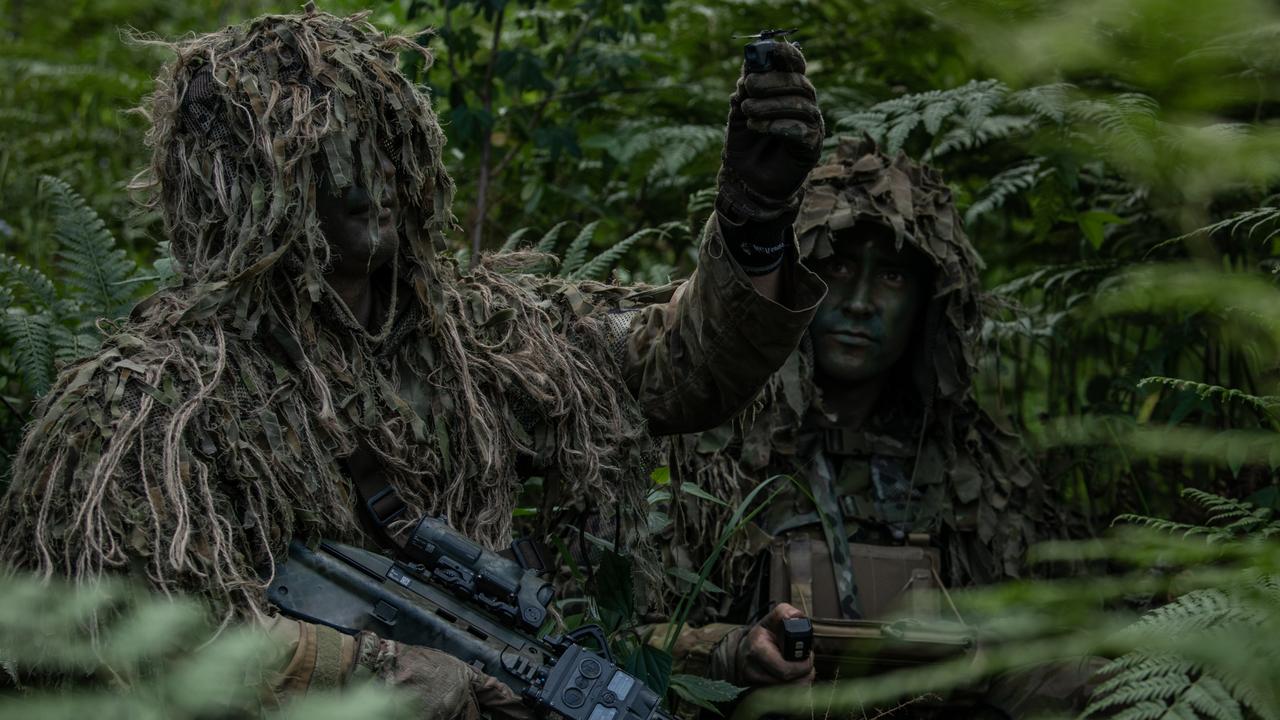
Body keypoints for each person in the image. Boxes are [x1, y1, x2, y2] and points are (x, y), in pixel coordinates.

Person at [0, 6, 826, 717]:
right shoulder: (149, 405)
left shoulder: (475, 340)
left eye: (381, 139)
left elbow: (676, 370)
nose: (369, 178)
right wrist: (377, 672)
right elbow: (108, 634)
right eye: (325, 155)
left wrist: (753, 221)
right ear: (243, 185)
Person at [662, 137, 1094, 718]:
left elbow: (1066, 637)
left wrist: (987, 655)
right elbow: (609, 639)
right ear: (796, 278)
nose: (861, 302)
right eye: (838, 267)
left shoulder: (977, 464)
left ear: (927, 303)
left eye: (891, 276)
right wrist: (732, 652)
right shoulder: (705, 446)